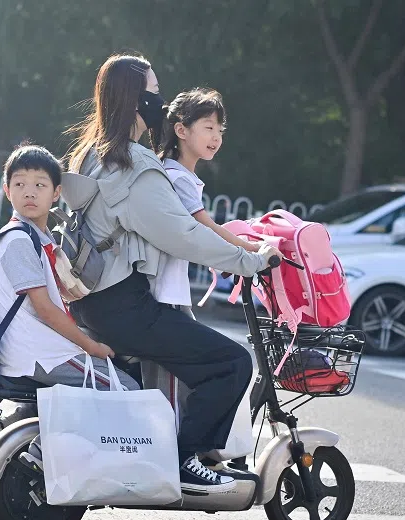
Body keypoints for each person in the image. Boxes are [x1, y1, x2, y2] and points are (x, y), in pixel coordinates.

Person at [65, 53, 281, 494]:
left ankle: (169, 454)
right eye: (153, 93)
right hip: (124, 306)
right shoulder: (133, 167)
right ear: (133, 98)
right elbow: (184, 235)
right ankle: (185, 462)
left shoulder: (91, 154)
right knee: (232, 363)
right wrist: (253, 261)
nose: (160, 103)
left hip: (93, 300)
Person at [0, 142, 139, 393]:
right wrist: (91, 346)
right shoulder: (18, 241)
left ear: (56, 193)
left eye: (40, 185)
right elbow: (45, 309)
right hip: (35, 353)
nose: (29, 192)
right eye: (20, 184)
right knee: (126, 388)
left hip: (33, 347)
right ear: (7, 190)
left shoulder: (37, 236)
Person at [153, 87, 260, 311]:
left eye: (220, 131)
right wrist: (252, 249)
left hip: (168, 291)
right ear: (182, 130)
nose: (216, 137)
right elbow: (206, 228)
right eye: (209, 128)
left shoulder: (174, 173)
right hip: (164, 294)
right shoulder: (178, 179)